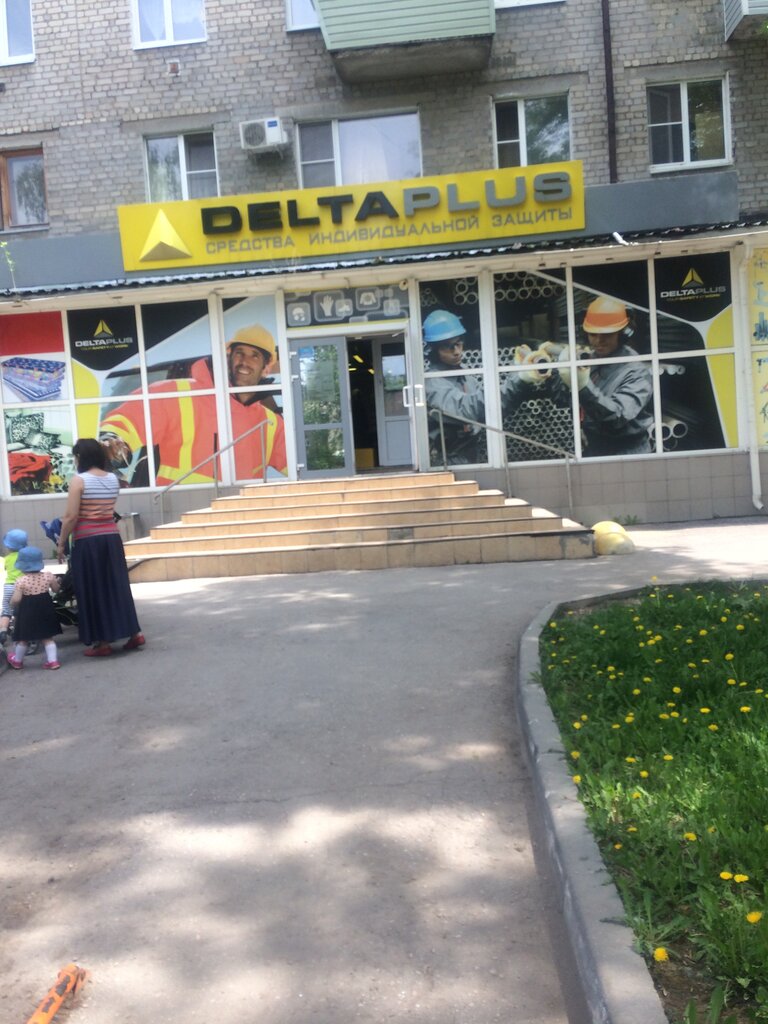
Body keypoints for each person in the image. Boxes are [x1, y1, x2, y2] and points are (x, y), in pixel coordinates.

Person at [99, 325, 288, 485]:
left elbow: (297, 463)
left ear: (266, 368)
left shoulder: (271, 423)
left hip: (239, 513)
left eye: (255, 356)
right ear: (229, 358)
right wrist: (112, 438)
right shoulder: (179, 394)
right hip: (177, 509)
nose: (244, 362)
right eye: (240, 353)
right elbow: (130, 418)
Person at [423, 309, 560, 464]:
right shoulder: (432, 382)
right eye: (448, 347)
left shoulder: (464, 375)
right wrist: (517, 379)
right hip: (447, 461)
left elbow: (491, 410)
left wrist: (518, 377)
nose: (457, 351)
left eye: (458, 343)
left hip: (470, 454)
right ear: (434, 350)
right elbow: (468, 408)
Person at [56, 438, 144, 657]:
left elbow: (71, 517)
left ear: (81, 457)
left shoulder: (79, 481)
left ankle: (103, 643)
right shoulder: (113, 479)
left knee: (93, 589)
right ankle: (134, 633)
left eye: (75, 456)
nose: (75, 460)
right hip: (111, 539)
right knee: (117, 585)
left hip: (88, 542)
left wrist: (61, 543)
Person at [558, 296, 653, 456]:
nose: (598, 341)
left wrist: (582, 386)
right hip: (595, 447)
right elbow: (567, 400)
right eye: (593, 334)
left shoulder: (636, 370)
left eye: (606, 334)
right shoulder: (592, 359)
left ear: (623, 333)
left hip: (628, 452)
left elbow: (617, 417)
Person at [6, 545, 62, 670]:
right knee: (47, 637)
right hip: (46, 609)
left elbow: (16, 599)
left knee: (23, 638)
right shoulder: (48, 576)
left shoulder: (21, 581)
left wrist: (11, 603)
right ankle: (53, 661)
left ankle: (17, 661)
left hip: (27, 612)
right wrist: (57, 582)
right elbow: (56, 589)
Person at [0, 527, 27, 646]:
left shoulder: (6, 559)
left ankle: (3, 631)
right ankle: (18, 630)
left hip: (8, 586)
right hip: (22, 586)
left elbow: (5, 569)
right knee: (19, 610)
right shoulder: (25, 556)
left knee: (6, 610)